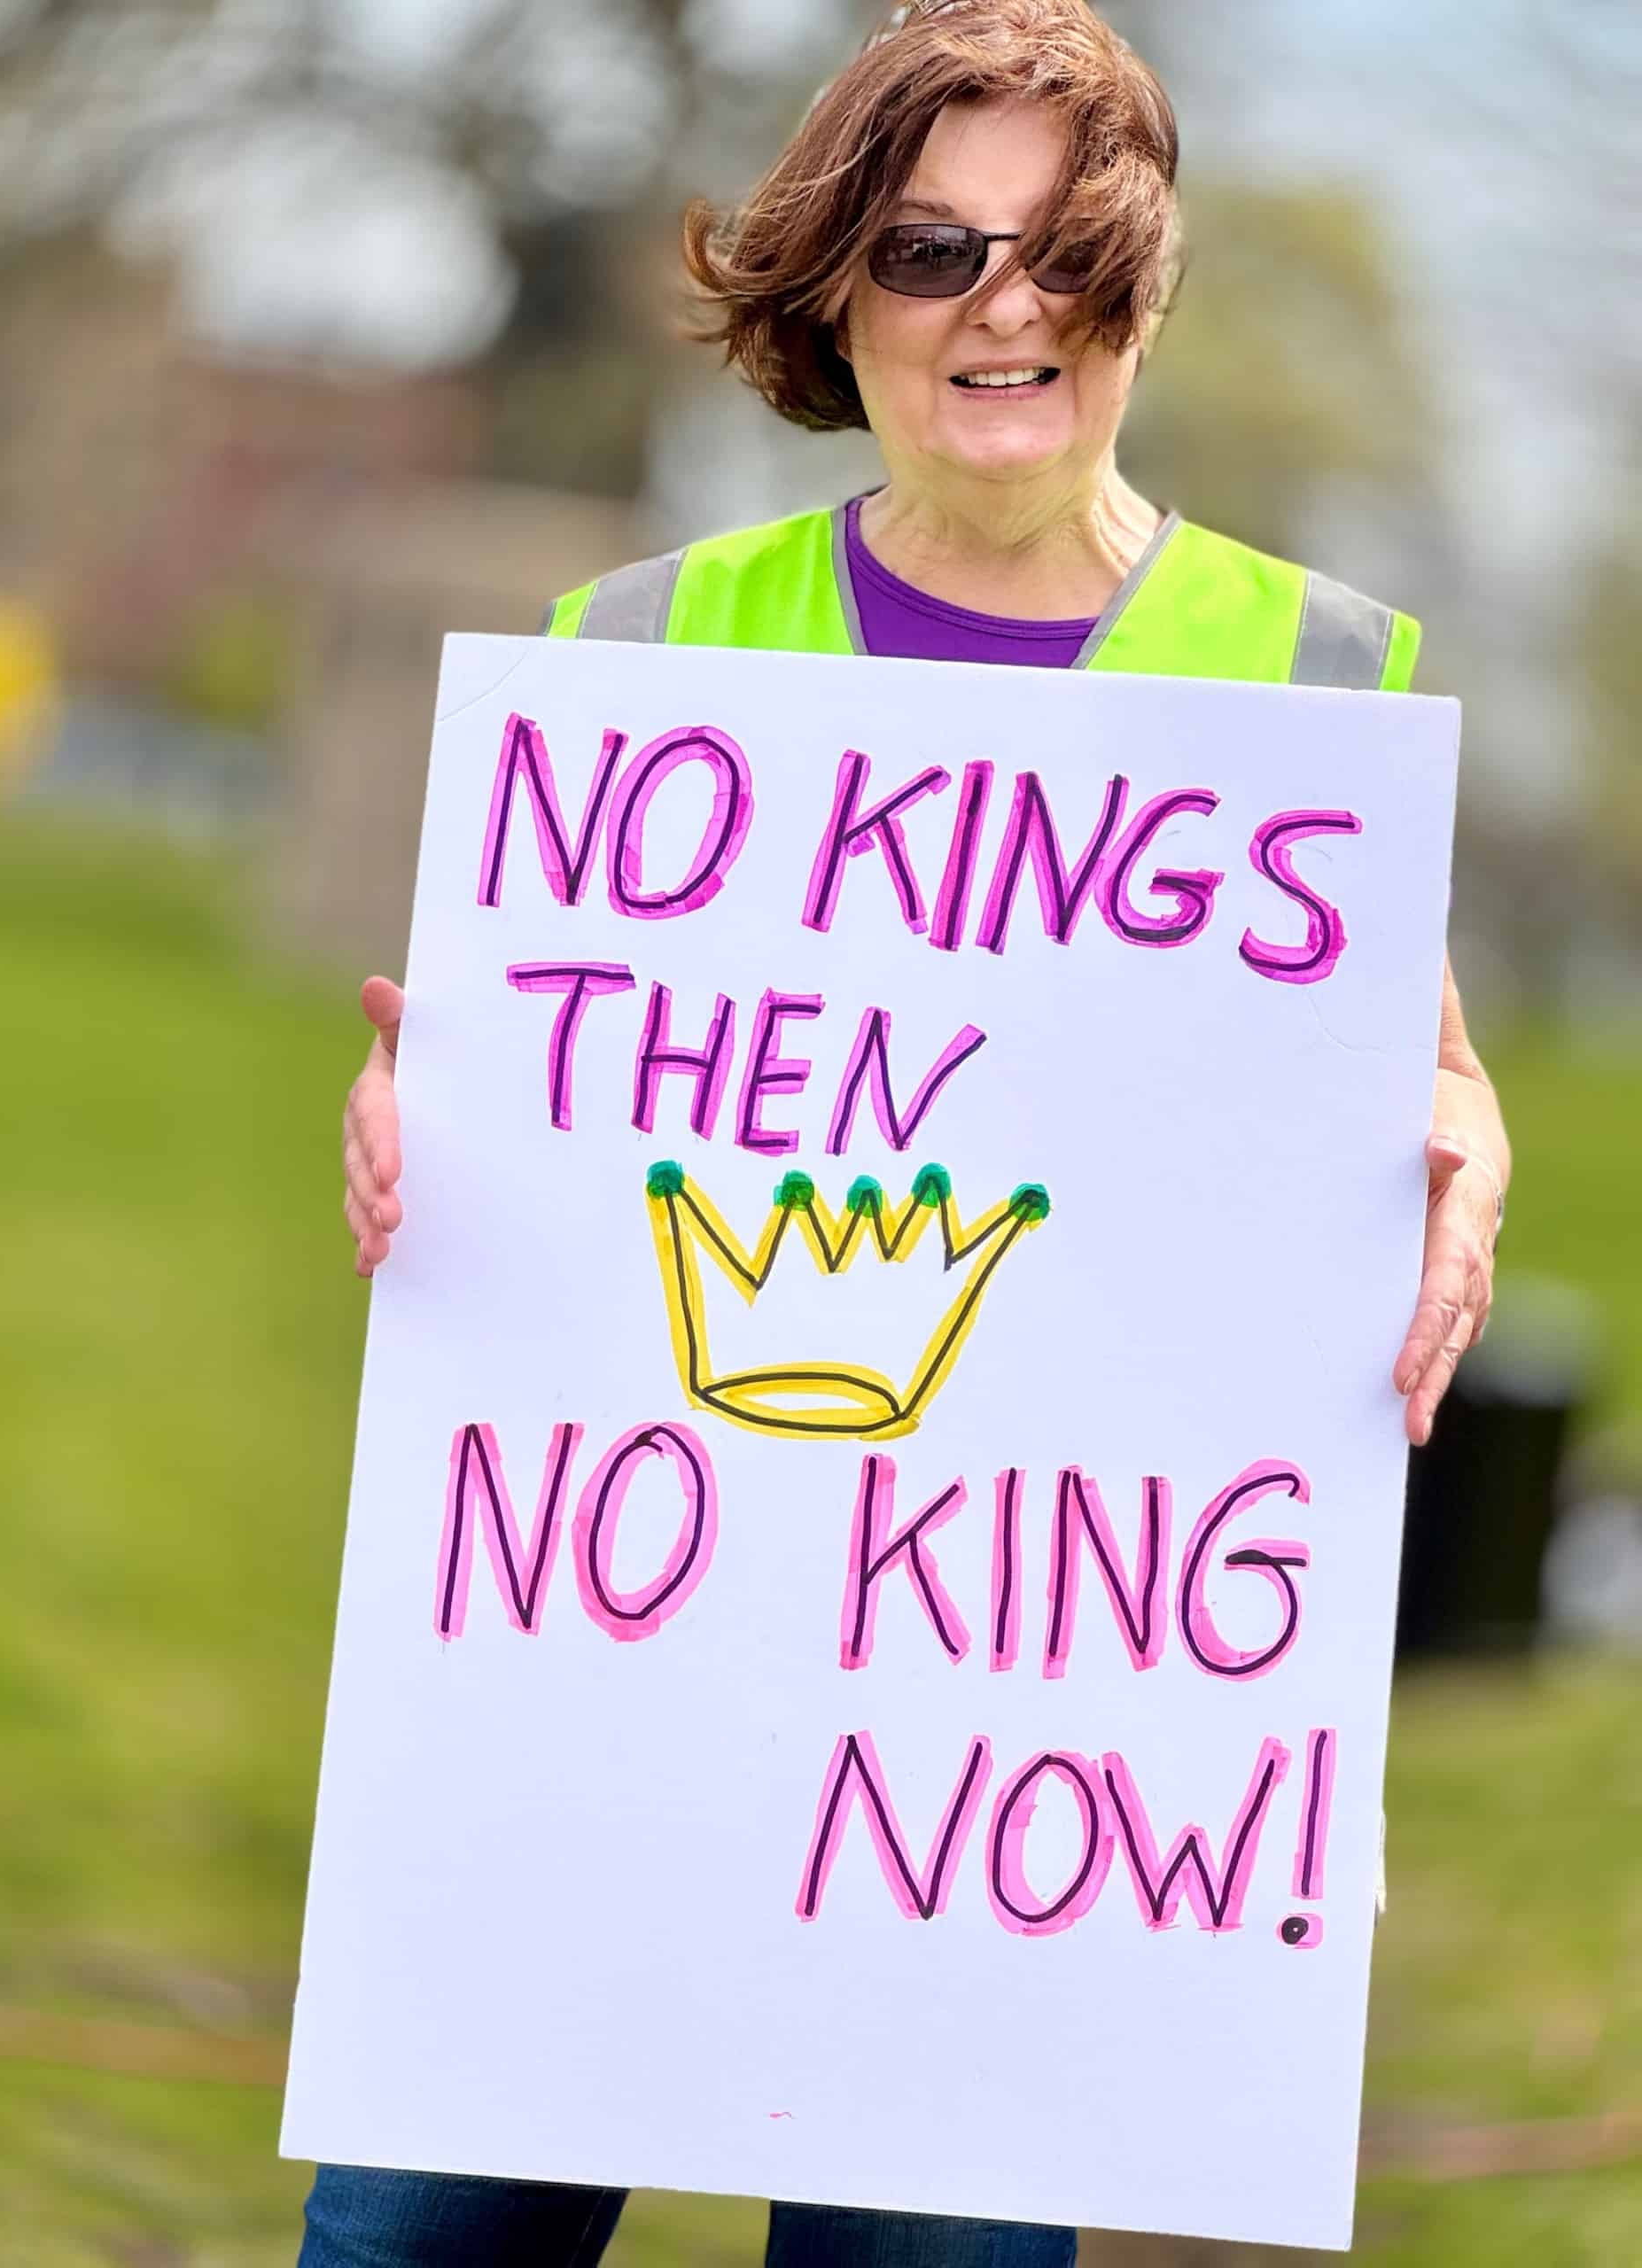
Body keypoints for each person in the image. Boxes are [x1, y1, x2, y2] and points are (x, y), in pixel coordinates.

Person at [321, 3, 1510, 2261]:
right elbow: (514, 1068)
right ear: (838, 289)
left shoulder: (1313, 689)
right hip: (600, 1713)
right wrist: (415, 1102)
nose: (1005, 306)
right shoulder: (647, 649)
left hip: (1011, 1792)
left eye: (1071, 251)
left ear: (1150, 282)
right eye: (936, 248)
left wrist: (1475, 1155)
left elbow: (1425, 1072)